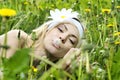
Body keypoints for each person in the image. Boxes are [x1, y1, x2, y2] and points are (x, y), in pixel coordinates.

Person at [0, 8, 84, 67]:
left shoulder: (50, 69)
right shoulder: (18, 38)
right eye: (60, 29)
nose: (63, 37)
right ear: (48, 29)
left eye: (71, 41)